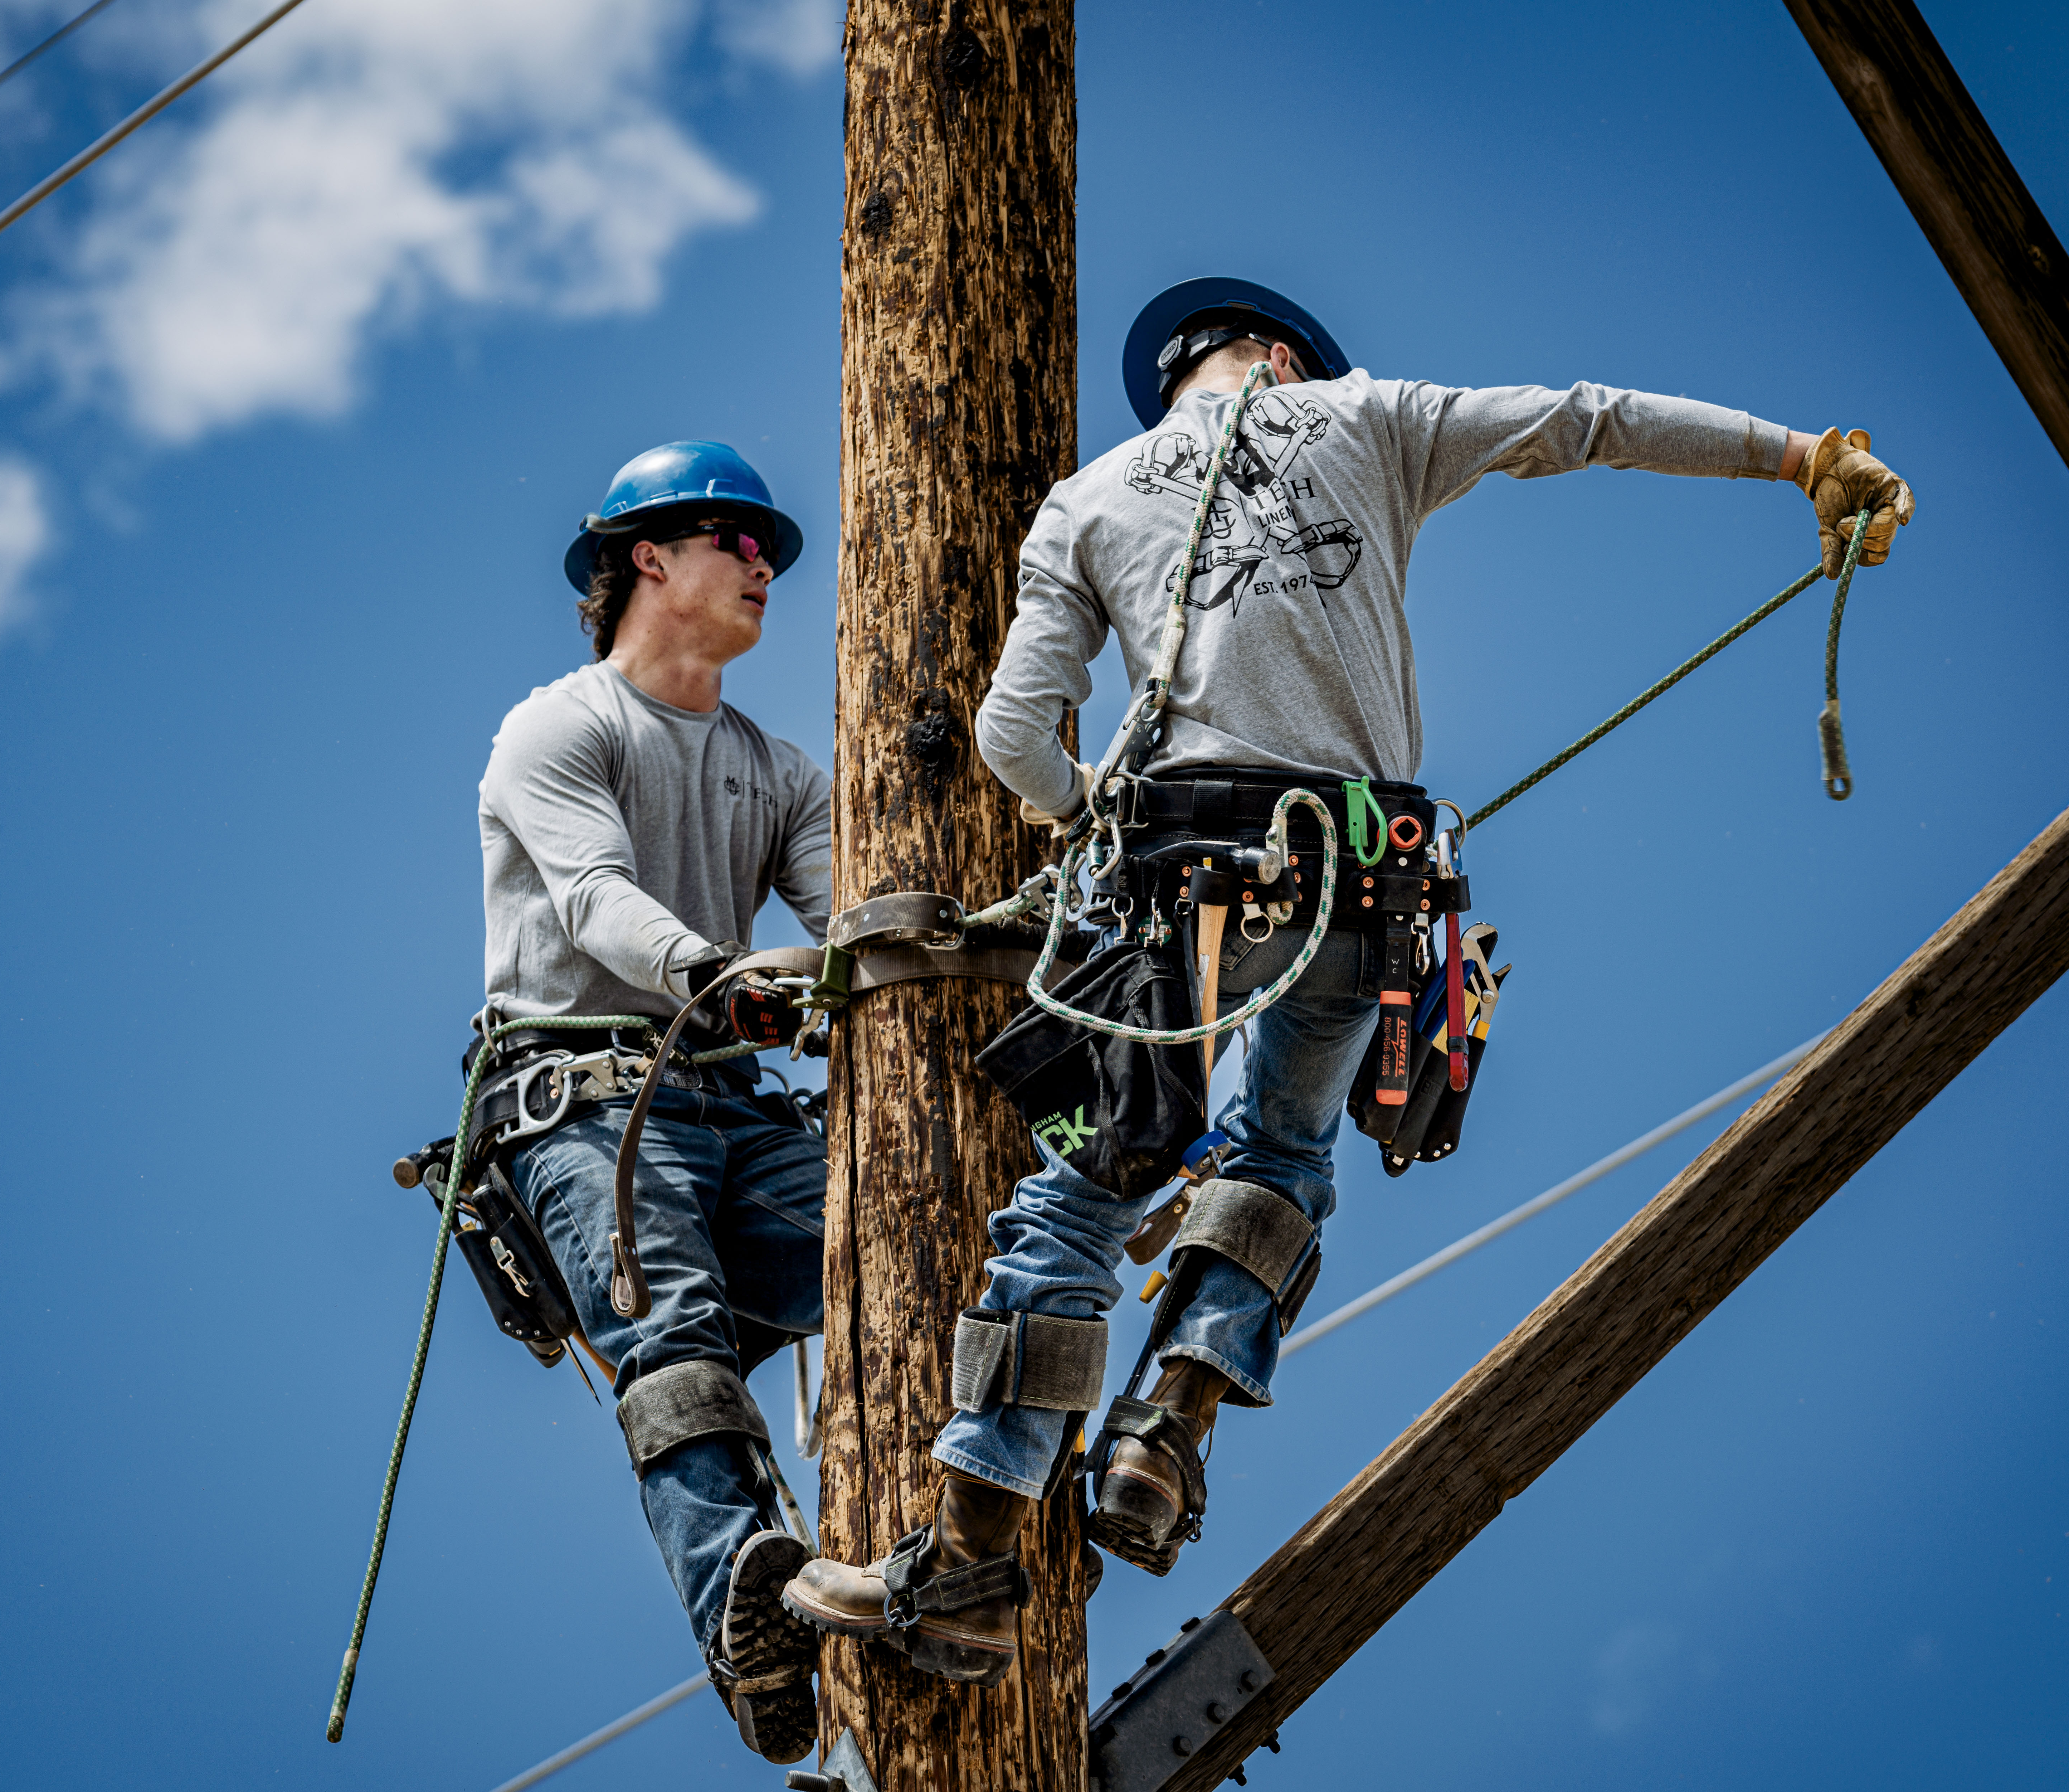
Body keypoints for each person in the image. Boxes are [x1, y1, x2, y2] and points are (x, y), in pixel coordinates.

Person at [785, 276, 1917, 1681]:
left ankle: (961, 1563)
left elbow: (1014, 736)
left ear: (1186, 375)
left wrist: (1092, 806)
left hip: (1180, 877)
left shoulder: (1087, 499)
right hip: (1362, 879)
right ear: (1276, 359)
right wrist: (1802, 457)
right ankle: (1167, 1426)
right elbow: (1586, 421)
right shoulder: (1370, 416)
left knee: (1080, 1191)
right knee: (1280, 1151)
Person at [476, 440, 833, 1759]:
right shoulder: (560, 726)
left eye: (765, 553)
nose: (762, 568)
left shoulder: (778, 770)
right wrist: (714, 973)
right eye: (737, 544)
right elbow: (593, 900)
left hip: (735, 1107)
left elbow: (857, 921)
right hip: (585, 1112)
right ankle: (755, 1618)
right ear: (649, 558)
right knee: (675, 1350)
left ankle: (931, 1520)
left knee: (903, 1243)